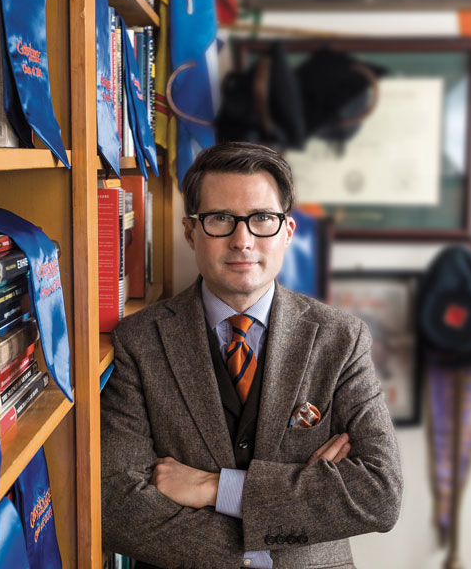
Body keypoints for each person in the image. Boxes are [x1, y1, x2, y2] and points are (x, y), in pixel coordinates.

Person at [101, 142, 402, 568]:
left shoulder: (342, 338)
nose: (242, 241)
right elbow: (117, 506)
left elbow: (379, 494)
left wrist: (216, 488)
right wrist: (292, 510)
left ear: (287, 231)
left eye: (262, 218)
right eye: (221, 218)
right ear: (191, 232)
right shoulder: (140, 340)